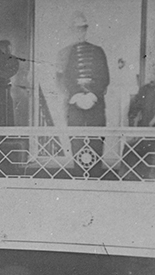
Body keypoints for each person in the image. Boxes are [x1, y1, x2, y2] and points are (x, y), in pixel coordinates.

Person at [57, 11, 109, 176]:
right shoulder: (64, 53)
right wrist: (77, 96)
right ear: (71, 30)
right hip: (75, 103)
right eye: (76, 29)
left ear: (86, 29)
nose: (80, 32)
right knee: (77, 141)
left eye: (83, 28)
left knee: (96, 140)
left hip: (95, 102)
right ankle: (79, 176)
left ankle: (95, 177)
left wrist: (92, 96)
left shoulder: (98, 51)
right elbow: (62, 79)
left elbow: (104, 77)